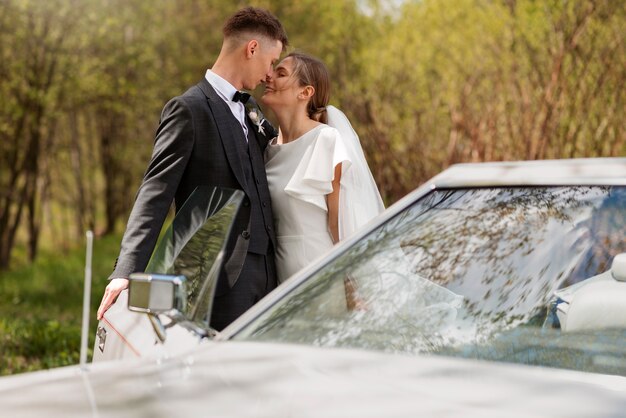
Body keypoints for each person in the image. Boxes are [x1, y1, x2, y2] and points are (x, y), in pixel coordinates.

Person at [96, 7, 288, 331]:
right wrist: (125, 272)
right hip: (217, 280)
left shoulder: (252, 110)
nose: (271, 75)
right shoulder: (189, 109)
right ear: (251, 48)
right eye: (271, 63)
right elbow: (155, 194)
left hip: (271, 276)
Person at [262, 52, 385, 283]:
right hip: (278, 280)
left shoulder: (326, 141)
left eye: (281, 73)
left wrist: (351, 283)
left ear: (305, 92)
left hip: (322, 275)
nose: (269, 77)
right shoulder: (267, 149)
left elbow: (341, 224)